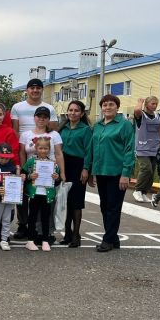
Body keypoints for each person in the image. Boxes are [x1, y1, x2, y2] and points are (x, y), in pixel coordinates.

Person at [88, 94, 135, 252]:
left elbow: (129, 149)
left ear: (117, 107)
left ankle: (108, 240)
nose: (107, 107)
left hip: (117, 172)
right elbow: (93, 149)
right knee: (104, 206)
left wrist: (126, 173)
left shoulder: (124, 125)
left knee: (114, 207)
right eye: (105, 105)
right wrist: (91, 171)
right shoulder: (98, 125)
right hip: (101, 171)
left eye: (111, 105)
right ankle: (114, 239)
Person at [17, 105, 66, 242]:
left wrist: (62, 173)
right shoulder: (26, 134)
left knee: (47, 205)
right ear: (34, 117)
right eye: (39, 116)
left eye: (45, 117)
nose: (41, 119)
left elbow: (58, 153)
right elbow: (22, 153)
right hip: (31, 175)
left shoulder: (54, 134)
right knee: (31, 205)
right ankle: (31, 231)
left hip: (48, 176)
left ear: (48, 119)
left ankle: (46, 233)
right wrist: (22, 172)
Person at [58, 101, 92, 248]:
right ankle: (67, 234)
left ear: (82, 113)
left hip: (78, 166)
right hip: (64, 166)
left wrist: (86, 169)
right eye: (70, 110)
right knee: (65, 201)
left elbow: (89, 151)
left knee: (76, 202)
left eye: (76, 111)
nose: (73, 113)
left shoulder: (86, 130)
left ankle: (76, 235)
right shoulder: (62, 129)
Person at [21, 136, 61, 252]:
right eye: (40, 148)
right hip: (34, 194)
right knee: (32, 217)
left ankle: (45, 240)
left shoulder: (53, 164)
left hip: (47, 195)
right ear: (36, 149)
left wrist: (56, 177)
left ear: (49, 149)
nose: (43, 150)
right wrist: (29, 176)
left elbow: (57, 181)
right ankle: (30, 240)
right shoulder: (31, 161)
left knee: (45, 217)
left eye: (45, 148)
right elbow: (23, 174)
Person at [132, 96, 160, 202]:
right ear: (146, 104)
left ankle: (144, 192)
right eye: (152, 104)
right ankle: (137, 190)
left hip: (155, 147)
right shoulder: (141, 115)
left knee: (151, 171)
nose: (154, 106)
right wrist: (140, 101)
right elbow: (136, 110)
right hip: (142, 147)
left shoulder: (158, 116)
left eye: (156, 104)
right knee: (146, 168)